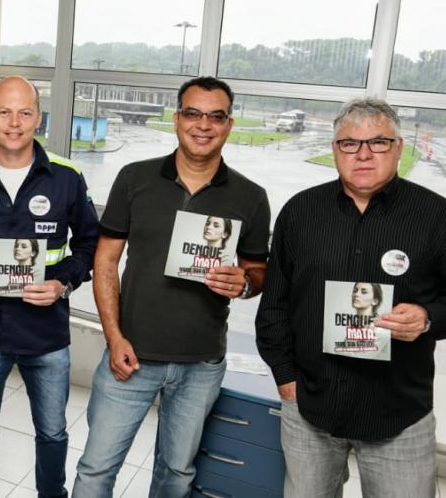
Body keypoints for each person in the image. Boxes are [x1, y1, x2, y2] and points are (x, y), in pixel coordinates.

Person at [73, 76, 271, 497]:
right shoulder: (134, 178)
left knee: (176, 473)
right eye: (193, 113)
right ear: (177, 118)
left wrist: (245, 282)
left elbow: (258, 272)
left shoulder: (251, 197)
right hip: (131, 357)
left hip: (201, 365)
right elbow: (105, 261)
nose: (204, 125)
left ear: (229, 125)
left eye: (215, 116)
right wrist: (113, 336)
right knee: (95, 470)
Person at [256, 98, 446, 497]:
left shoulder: (435, 216)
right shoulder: (300, 212)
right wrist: (286, 381)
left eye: (377, 142)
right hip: (309, 408)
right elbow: (273, 308)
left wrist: (428, 317)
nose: (362, 154)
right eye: (349, 143)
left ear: (398, 147)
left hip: (399, 415)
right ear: (334, 149)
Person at [0, 76, 99, 497]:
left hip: (46, 335)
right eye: (4, 112)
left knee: (51, 434)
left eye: (25, 112)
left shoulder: (66, 176)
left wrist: (63, 283)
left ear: (38, 118)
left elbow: (89, 243)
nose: (14, 123)